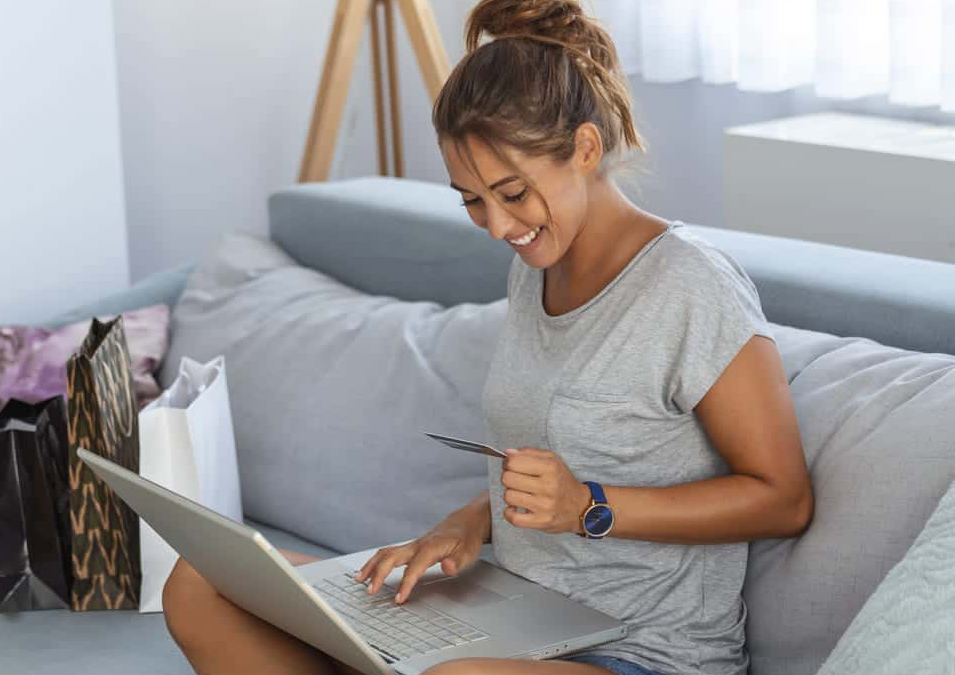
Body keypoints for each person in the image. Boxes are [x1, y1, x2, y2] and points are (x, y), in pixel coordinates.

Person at [160, 1, 814, 673]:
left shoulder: (691, 286)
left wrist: (590, 506)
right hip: (513, 623)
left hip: (641, 652)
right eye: (473, 199)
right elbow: (561, 460)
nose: (498, 226)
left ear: (585, 150)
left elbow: (783, 496)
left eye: (513, 193)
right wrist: (473, 519)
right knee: (203, 582)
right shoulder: (535, 270)